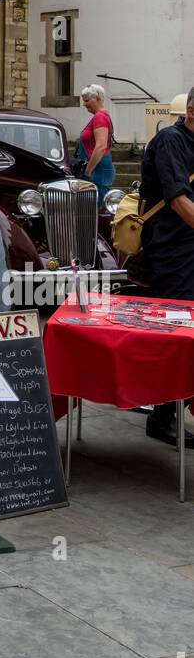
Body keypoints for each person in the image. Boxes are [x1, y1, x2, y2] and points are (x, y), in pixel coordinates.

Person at [139, 85, 194, 447]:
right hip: (172, 248)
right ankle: (164, 416)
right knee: (177, 330)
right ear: (191, 110)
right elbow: (177, 200)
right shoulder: (170, 141)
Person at [78, 84, 115, 205]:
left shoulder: (100, 117)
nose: (84, 104)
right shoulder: (102, 115)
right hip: (99, 169)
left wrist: (87, 172)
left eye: (87, 100)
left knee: (95, 209)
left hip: (97, 171)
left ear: (97, 98)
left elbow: (100, 146)